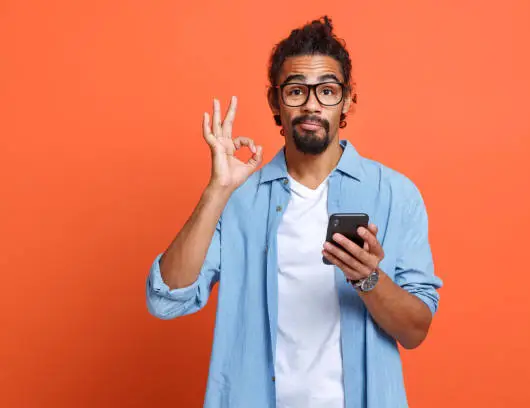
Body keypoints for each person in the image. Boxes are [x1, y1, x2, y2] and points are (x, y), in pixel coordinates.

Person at [146, 15, 443, 408]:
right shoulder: (239, 199)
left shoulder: (395, 195)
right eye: (296, 91)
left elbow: (415, 330)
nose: (312, 105)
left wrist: (368, 278)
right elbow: (168, 299)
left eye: (327, 91)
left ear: (348, 99)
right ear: (275, 101)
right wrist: (217, 191)